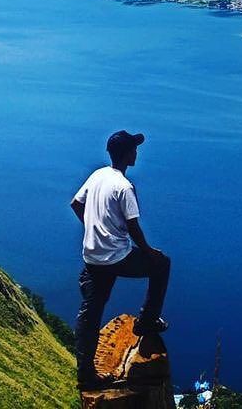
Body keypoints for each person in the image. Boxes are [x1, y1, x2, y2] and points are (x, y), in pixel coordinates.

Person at [71, 130, 171, 390]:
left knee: (90, 315)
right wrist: (150, 252)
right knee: (162, 265)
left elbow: (75, 204)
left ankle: (85, 374)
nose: (136, 152)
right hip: (117, 256)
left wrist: (93, 228)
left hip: (93, 256)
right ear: (127, 154)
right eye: (134, 149)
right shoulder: (124, 187)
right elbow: (134, 227)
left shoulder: (98, 175)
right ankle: (147, 320)